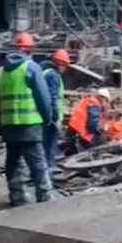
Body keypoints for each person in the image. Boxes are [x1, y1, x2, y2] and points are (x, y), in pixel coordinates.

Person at [0, 32, 54, 207]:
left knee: (13, 163)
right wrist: (47, 118)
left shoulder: (1, 72)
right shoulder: (31, 67)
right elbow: (43, 98)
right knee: (37, 164)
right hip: (30, 125)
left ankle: (17, 197)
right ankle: (45, 197)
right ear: (29, 50)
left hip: (9, 126)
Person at [42, 49, 70, 180]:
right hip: (50, 117)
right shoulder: (53, 75)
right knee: (48, 143)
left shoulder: (45, 71)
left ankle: (47, 167)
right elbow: (52, 98)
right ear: (61, 64)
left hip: (43, 115)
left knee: (47, 144)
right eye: (65, 65)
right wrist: (56, 118)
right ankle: (47, 172)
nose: (65, 69)